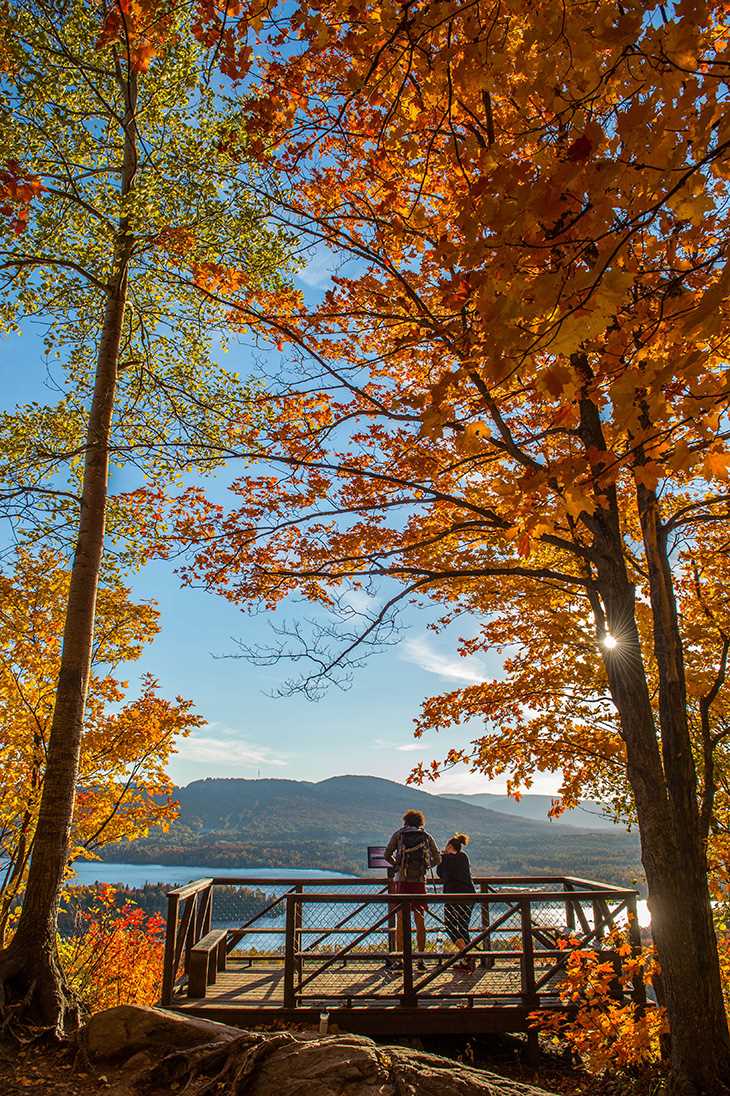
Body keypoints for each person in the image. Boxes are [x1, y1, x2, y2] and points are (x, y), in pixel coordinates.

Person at [384, 809, 440, 971]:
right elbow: (437, 858)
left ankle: (401, 959)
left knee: (401, 921)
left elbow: (386, 854)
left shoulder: (399, 835)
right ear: (420, 822)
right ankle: (421, 958)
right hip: (419, 883)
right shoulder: (426, 836)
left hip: (402, 882)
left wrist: (397, 865)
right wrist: (425, 867)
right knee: (420, 921)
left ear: (405, 821)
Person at [436, 833, 476, 973]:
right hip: (469, 895)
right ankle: (466, 959)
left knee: (450, 926)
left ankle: (466, 954)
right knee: (463, 927)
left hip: (453, 897)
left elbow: (440, 874)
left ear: (449, 846)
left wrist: (441, 857)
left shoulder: (445, 859)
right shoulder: (464, 857)